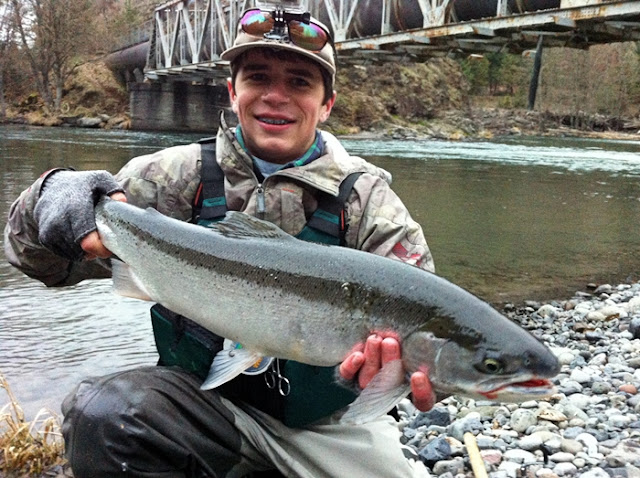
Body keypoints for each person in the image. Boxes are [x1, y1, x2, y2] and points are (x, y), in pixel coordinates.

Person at [4, 5, 437, 477]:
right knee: (106, 417)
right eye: (257, 78)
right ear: (233, 91)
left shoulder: (369, 202)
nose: (276, 96)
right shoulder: (170, 177)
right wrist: (48, 196)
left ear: (327, 104)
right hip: (200, 409)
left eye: (299, 83)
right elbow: (40, 262)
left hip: (328, 427)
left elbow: (424, 314)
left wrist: (416, 373)